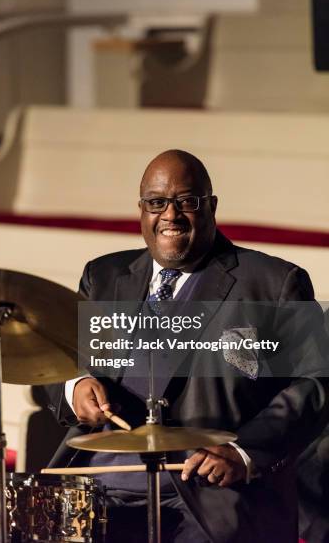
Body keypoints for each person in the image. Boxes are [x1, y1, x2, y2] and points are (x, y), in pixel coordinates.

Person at [46, 149, 329, 543]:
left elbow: (316, 382)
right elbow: (55, 362)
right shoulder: (104, 275)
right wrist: (74, 385)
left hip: (207, 494)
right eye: (157, 203)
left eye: (187, 202)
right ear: (142, 209)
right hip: (96, 481)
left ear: (211, 206)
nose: (171, 215)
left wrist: (245, 451)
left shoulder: (274, 282)